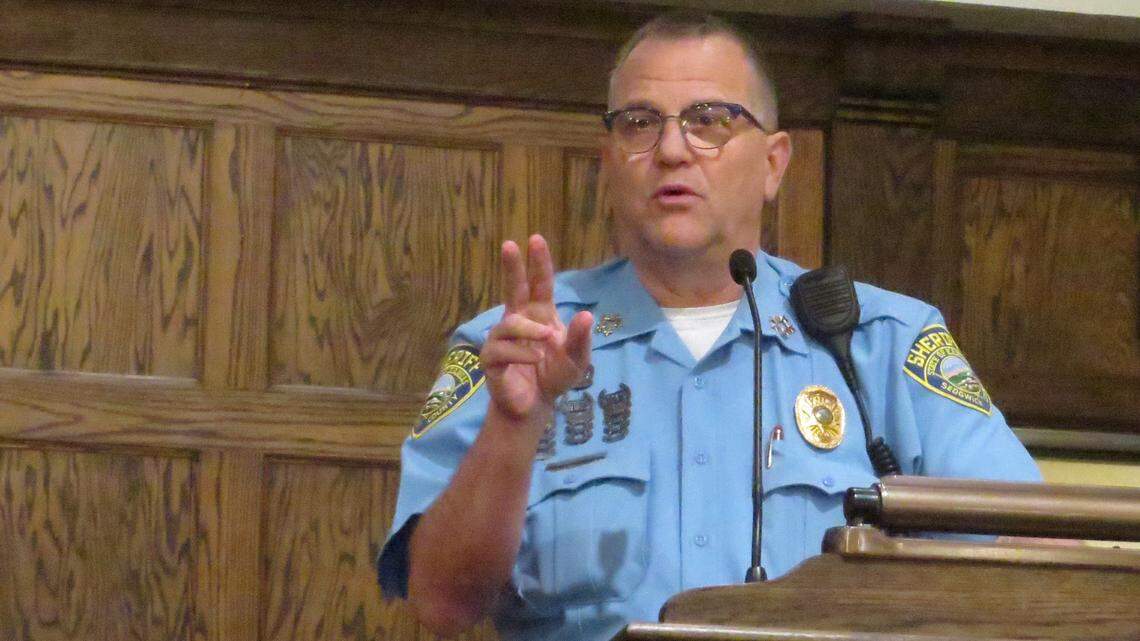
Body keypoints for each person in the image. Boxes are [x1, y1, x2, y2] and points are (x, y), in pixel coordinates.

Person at [377, 11, 1040, 641]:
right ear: (608, 162)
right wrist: (514, 425)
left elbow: (1037, 561)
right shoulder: (514, 347)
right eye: (639, 123)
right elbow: (441, 603)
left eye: (709, 120)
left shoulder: (884, 343)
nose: (670, 148)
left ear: (774, 163)